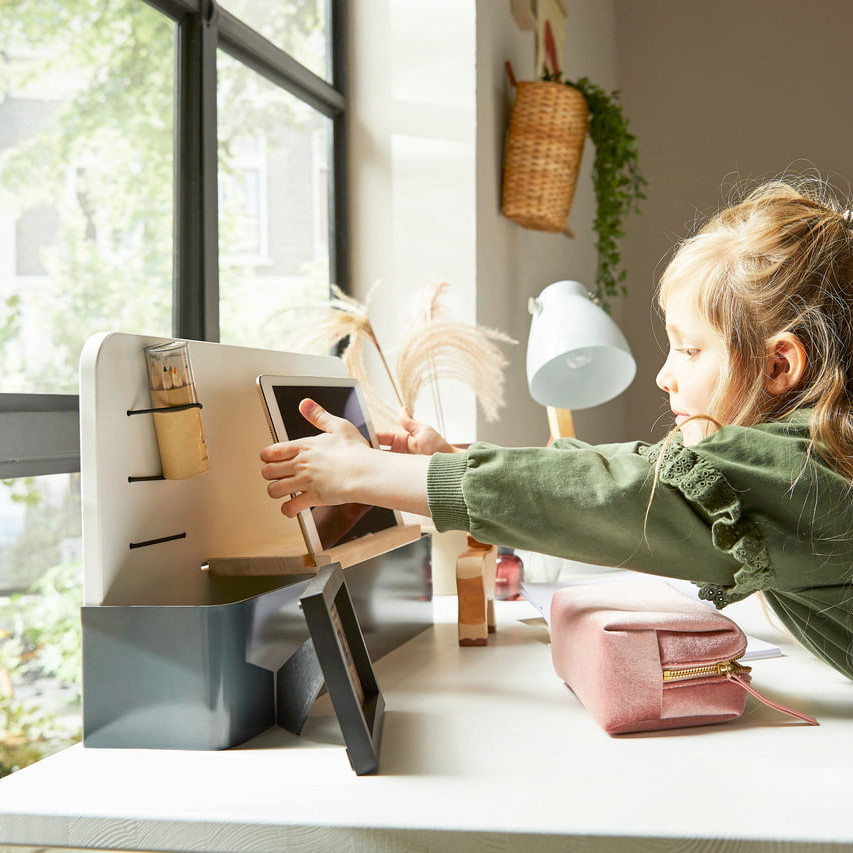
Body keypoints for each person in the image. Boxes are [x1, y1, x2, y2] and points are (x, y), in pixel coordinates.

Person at [261, 178, 853, 682]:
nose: (664, 376)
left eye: (690, 350)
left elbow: (624, 492)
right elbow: (629, 473)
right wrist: (441, 464)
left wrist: (369, 472)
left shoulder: (812, 472)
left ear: (779, 365)